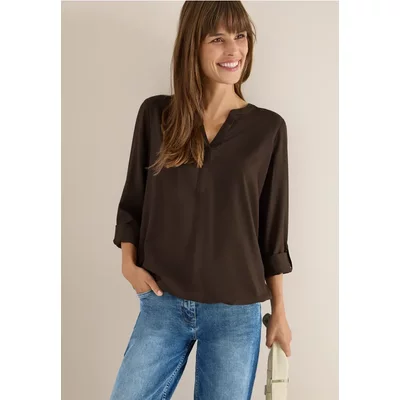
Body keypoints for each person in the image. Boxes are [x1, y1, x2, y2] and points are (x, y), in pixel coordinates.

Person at [109, 2, 293, 399]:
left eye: (240, 36)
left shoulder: (268, 129)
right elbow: (133, 201)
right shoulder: (157, 115)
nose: (234, 49)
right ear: (193, 44)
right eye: (218, 39)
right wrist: (128, 264)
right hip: (163, 303)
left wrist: (279, 309)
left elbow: (272, 231)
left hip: (235, 312)